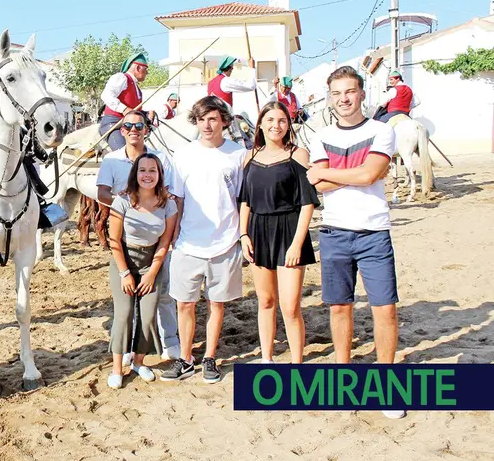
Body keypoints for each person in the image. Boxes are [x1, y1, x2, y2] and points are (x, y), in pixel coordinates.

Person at [305, 66, 405, 420]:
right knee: (339, 308)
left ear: (362, 93)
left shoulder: (381, 130)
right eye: (336, 93)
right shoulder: (320, 136)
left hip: (374, 231)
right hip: (334, 231)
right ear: (329, 97)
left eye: (349, 91)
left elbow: (369, 174)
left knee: (385, 309)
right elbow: (318, 185)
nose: (343, 99)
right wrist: (355, 174)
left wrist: (333, 172)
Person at [160, 96, 247, 384]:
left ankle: (210, 357)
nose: (207, 125)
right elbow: (178, 200)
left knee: (216, 303)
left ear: (224, 120)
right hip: (188, 243)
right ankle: (185, 359)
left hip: (225, 241)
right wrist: (172, 237)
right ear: (195, 122)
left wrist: (242, 236)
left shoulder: (238, 154)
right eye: (201, 119)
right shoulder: (183, 155)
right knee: (184, 303)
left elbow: (240, 199)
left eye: (212, 118)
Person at [97, 110, 183, 361]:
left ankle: (169, 339)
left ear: (146, 129)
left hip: (156, 234)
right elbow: (102, 192)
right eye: (128, 126)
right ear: (121, 131)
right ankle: (126, 346)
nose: (134, 129)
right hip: (125, 233)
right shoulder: (111, 160)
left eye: (139, 125)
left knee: (163, 292)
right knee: (126, 300)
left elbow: (168, 194)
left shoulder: (162, 158)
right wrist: (127, 206)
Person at [239, 102, 319, 364]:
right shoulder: (249, 157)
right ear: (260, 124)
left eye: (282, 120)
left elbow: (307, 202)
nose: (276, 125)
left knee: (290, 306)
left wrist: (297, 244)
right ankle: (267, 358)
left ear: (288, 124)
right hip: (258, 232)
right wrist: (243, 235)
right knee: (265, 301)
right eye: (270, 120)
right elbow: (245, 201)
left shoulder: (298, 154)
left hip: (289, 230)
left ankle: (297, 363)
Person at [106, 152, 178, 389]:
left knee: (147, 317)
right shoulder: (123, 201)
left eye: (152, 171)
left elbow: (165, 242)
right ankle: (117, 368)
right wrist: (125, 273)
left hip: (152, 261)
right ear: (135, 174)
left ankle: (138, 361)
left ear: (160, 175)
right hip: (124, 259)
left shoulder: (168, 204)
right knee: (124, 313)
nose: (147, 175)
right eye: (143, 170)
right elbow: (114, 240)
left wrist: (151, 272)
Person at [100, 52, 149, 151]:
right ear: (138, 68)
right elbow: (106, 95)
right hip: (114, 125)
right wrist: (125, 109)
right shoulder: (122, 77)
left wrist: (147, 114)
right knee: (127, 154)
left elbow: (134, 110)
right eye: (146, 70)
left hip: (131, 126)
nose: (147, 73)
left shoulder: (136, 87)